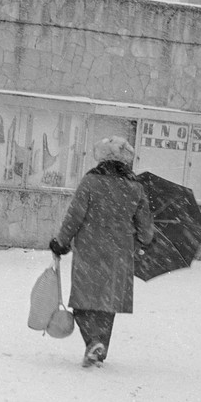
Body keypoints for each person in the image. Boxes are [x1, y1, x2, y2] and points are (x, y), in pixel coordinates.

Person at [49, 137, 154, 368]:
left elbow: (74, 216)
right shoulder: (135, 187)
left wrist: (61, 242)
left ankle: (92, 342)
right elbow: (146, 230)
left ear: (102, 157)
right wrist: (141, 238)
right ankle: (100, 347)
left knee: (83, 302)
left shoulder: (91, 182)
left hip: (89, 251)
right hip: (119, 254)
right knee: (108, 304)